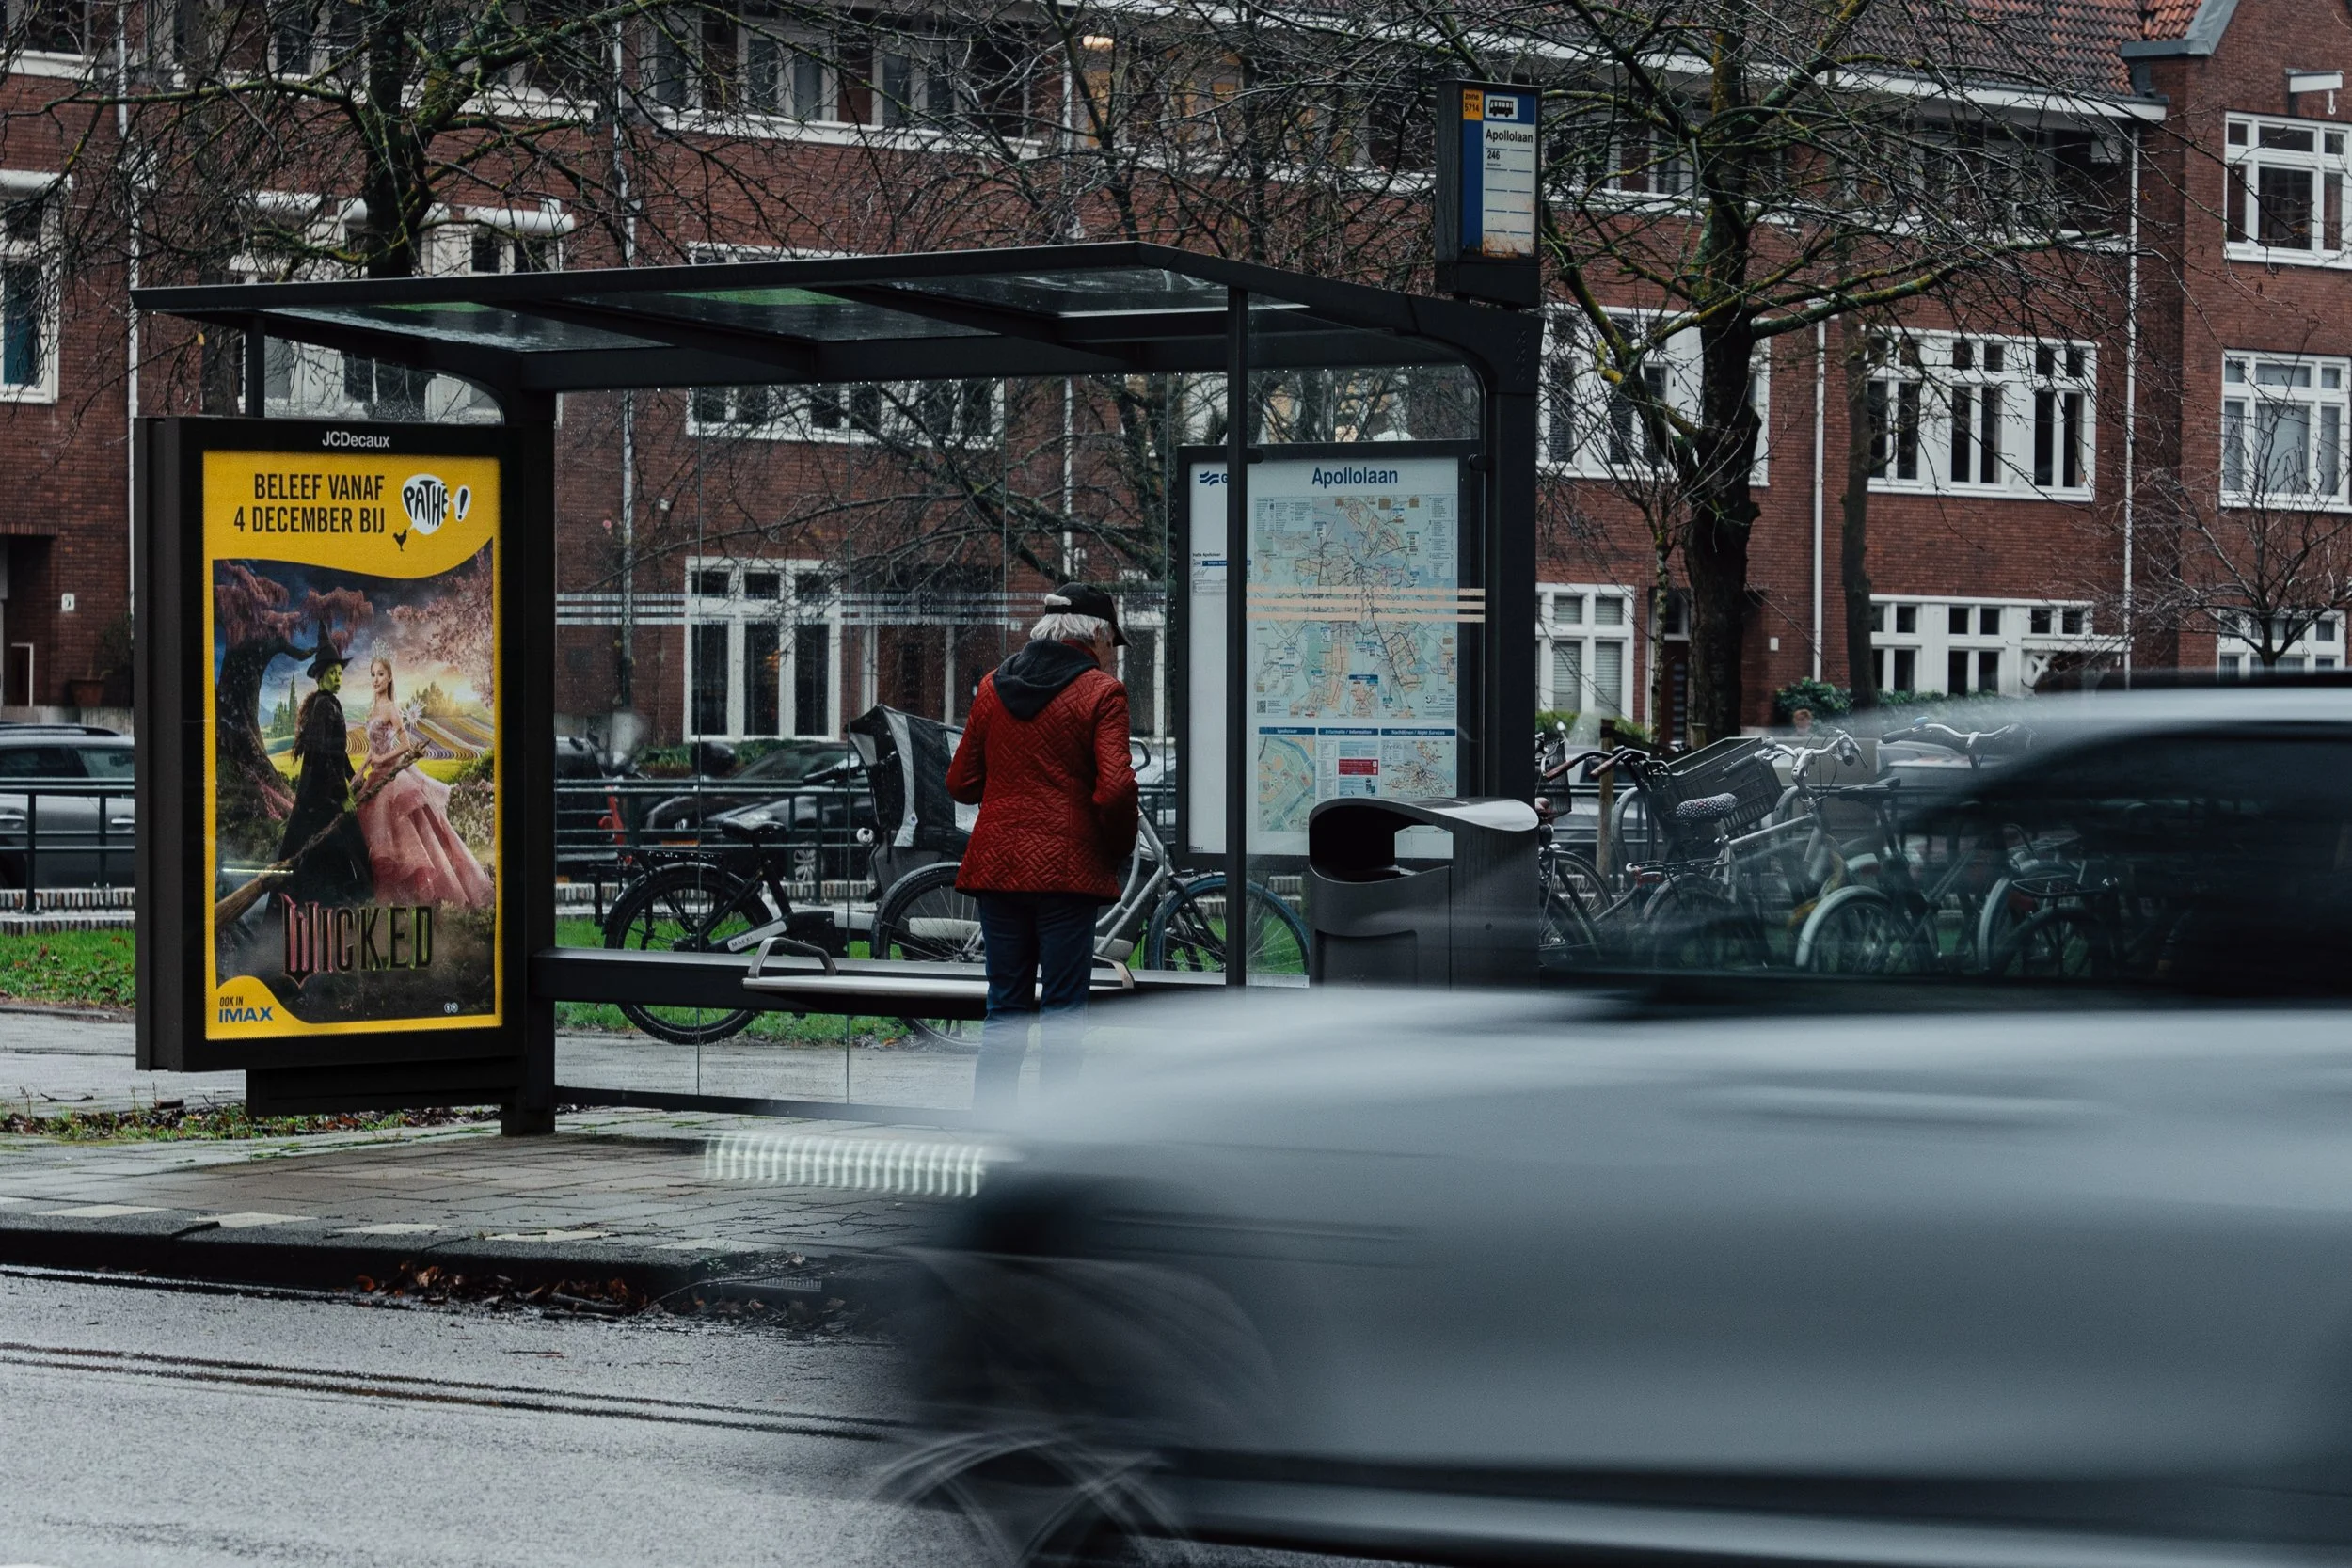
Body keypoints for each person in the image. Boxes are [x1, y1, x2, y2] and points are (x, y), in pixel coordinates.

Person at [946, 584, 1138, 1115]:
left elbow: (961, 782)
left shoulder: (993, 686)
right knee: (1063, 1013)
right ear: (1095, 636)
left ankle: (992, 1125)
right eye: (1112, 644)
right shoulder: (1102, 693)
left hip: (998, 869)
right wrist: (1115, 846)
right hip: (1066, 875)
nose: (1112, 656)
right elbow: (1116, 789)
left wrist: (1012, 785)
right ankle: (1054, 1135)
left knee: (1005, 1009)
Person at [356, 656, 495, 909]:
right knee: (379, 838)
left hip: (392, 775)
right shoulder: (373, 708)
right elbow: (373, 747)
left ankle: (426, 896)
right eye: (373, 675)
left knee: (407, 836)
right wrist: (362, 769)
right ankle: (390, 901)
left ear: (389, 678)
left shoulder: (391, 709)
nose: (376, 680)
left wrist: (382, 759)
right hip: (376, 776)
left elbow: (406, 745)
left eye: (380, 674)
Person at [277, 626, 374, 907]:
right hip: (320, 797)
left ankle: (342, 903)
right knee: (334, 847)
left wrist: (353, 778)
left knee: (336, 850)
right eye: (332, 673)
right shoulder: (322, 707)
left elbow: (337, 753)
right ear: (320, 676)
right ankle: (342, 903)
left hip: (327, 793)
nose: (337, 678)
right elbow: (321, 757)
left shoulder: (331, 703)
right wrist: (342, 795)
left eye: (339, 673)